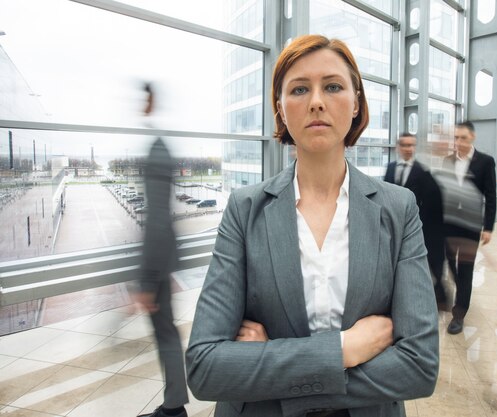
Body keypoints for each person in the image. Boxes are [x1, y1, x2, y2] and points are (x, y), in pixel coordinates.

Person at [186, 35, 439, 417]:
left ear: (356, 103)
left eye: (333, 86)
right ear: (282, 110)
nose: (317, 101)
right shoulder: (245, 209)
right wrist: (344, 350)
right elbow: (205, 367)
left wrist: (268, 368)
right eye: (300, 89)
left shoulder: (398, 208)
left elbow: (419, 366)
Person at [135, 83, 189, 417]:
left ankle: (174, 409)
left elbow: (156, 218)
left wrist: (147, 279)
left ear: (151, 102)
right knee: (167, 332)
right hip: (163, 257)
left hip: (157, 259)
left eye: (143, 98)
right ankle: (174, 405)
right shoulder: (160, 146)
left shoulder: (156, 149)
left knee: (166, 334)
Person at [440, 120, 496, 335]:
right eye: (456, 138)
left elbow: (490, 196)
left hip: (471, 225)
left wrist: (488, 227)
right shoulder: (448, 161)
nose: (458, 142)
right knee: (450, 264)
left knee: (466, 269)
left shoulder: (485, 162)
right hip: (449, 223)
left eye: (463, 138)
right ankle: (461, 288)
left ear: (472, 137)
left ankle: (459, 314)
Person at [384, 133, 446, 309]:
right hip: (392, 226)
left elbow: (432, 205)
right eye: (405, 145)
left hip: (415, 227)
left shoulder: (423, 172)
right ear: (398, 147)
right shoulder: (390, 168)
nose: (409, 149)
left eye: (412, 145)